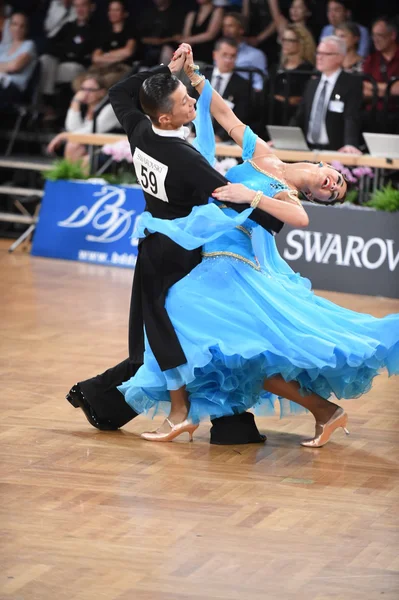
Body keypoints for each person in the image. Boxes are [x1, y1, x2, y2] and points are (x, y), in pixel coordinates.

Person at [117, 44, 399, 447]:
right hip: (213, 256)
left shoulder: (289, 197)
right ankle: (323, 412)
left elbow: (298, 219)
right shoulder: (263, 155)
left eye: (333, 194)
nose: (333, 187)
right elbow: (225, 115)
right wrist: (196, 78)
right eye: (336, 180)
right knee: (240, 354)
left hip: (235, 269)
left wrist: (249, 197)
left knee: (213, 333)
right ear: (323, 164)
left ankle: (186, 414)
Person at [66, 46, 285, 445]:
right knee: (182, 335)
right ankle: (196, 415)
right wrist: (275, 218)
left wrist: (166, 71)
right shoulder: (183, 157)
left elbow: (118, 92)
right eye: (185, 99)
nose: (191, 100)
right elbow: (225, 195)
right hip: (183, 257)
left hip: (154, 247)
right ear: (165, 115)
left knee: (177, 335)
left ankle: (208, 418)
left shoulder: (140, 130)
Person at [290, 35, 363, 153]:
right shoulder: (312, 84)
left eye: (326, 54)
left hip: (335, 150)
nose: (319, 57)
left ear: (340, 57)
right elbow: (300, 115)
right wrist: (283, 139)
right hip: (309, 149)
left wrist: (350, 144)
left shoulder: (350, 83)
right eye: (318, 53)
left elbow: (351, 116)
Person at [46, 73, 120, 165]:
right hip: (90, 148)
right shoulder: (82, 108)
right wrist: (75, 102)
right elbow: (72, 130)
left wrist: (63, 135)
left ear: (102, 92)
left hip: (110, 151)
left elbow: (92, 131)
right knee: (73, 145)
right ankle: (71, 176)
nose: (85, 93)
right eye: (83, 89)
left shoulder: (110, 109)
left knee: (83, 158)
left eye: (90, 90)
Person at [39, 0, 96, 119]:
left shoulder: (97, 28)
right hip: (61, 63)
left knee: (70, 68)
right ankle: (47, 102)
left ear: (91, 7)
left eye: (83, 5)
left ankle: (58, 109)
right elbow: (50, 45)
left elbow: (85, 52)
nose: (80, 9)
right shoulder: (69, 26)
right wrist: (67, 52)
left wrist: (69, 52)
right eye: (77, 6)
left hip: (80, 66)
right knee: (46, 60)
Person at [203, 38, 251, 142]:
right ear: (215, 55)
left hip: (225, 140)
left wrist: (220, 137)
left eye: (232, 56)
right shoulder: (201, 77)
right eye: (224, 55)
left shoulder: (243, 85)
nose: (228, 60)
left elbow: (239, 116)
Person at [270, 23, 315, 125]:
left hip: (294, 120)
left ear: (301, 43)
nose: (285, 44)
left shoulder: (308, 70)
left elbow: (302, 99)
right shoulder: (275, 67)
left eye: (289, 40)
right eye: (283, 40)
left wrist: (284, 100)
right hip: (272, 119)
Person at [362, 16, 399, 133]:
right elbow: (363, 89)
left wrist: (374, 88)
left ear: (392, 35)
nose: (375, 40)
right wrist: (389, 89)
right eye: (373, 35)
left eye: (380, 35)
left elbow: (398, 89)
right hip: (373, 116)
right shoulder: (371, 59)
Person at [222, 12, 267, 91]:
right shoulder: (219, 52)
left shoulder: (256, 55)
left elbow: (259, 85)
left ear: (241, 30)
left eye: (230, 26)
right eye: (224, 26)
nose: (226, 30)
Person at [0, 11, 36, 109]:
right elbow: (10, 65)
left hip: (13, 88)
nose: (18, 29)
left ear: (26, 29)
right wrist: (7, 66)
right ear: (10, 26)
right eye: (15, 24)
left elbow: (15, 66)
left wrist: (5, 66)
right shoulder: (3, 47)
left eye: (22, 26)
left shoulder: (29, 45)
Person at [91, 0, 136, 69]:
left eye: (117, 10)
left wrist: (105, 55)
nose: (113, 13)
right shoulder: (104, 33)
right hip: (103, 67)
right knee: (81, 79)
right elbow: (95, 58)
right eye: (111, 10)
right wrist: (117, 58)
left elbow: (128, 51)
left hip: (122, 68)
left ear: (125, 13)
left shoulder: (130, 31)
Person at [179, 0, 224, 66]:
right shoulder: (192, 14)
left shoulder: (218, 10)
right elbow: (186, 35)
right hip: (191, 50)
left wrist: (184, 40)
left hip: (208, 51)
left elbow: (210, 35)